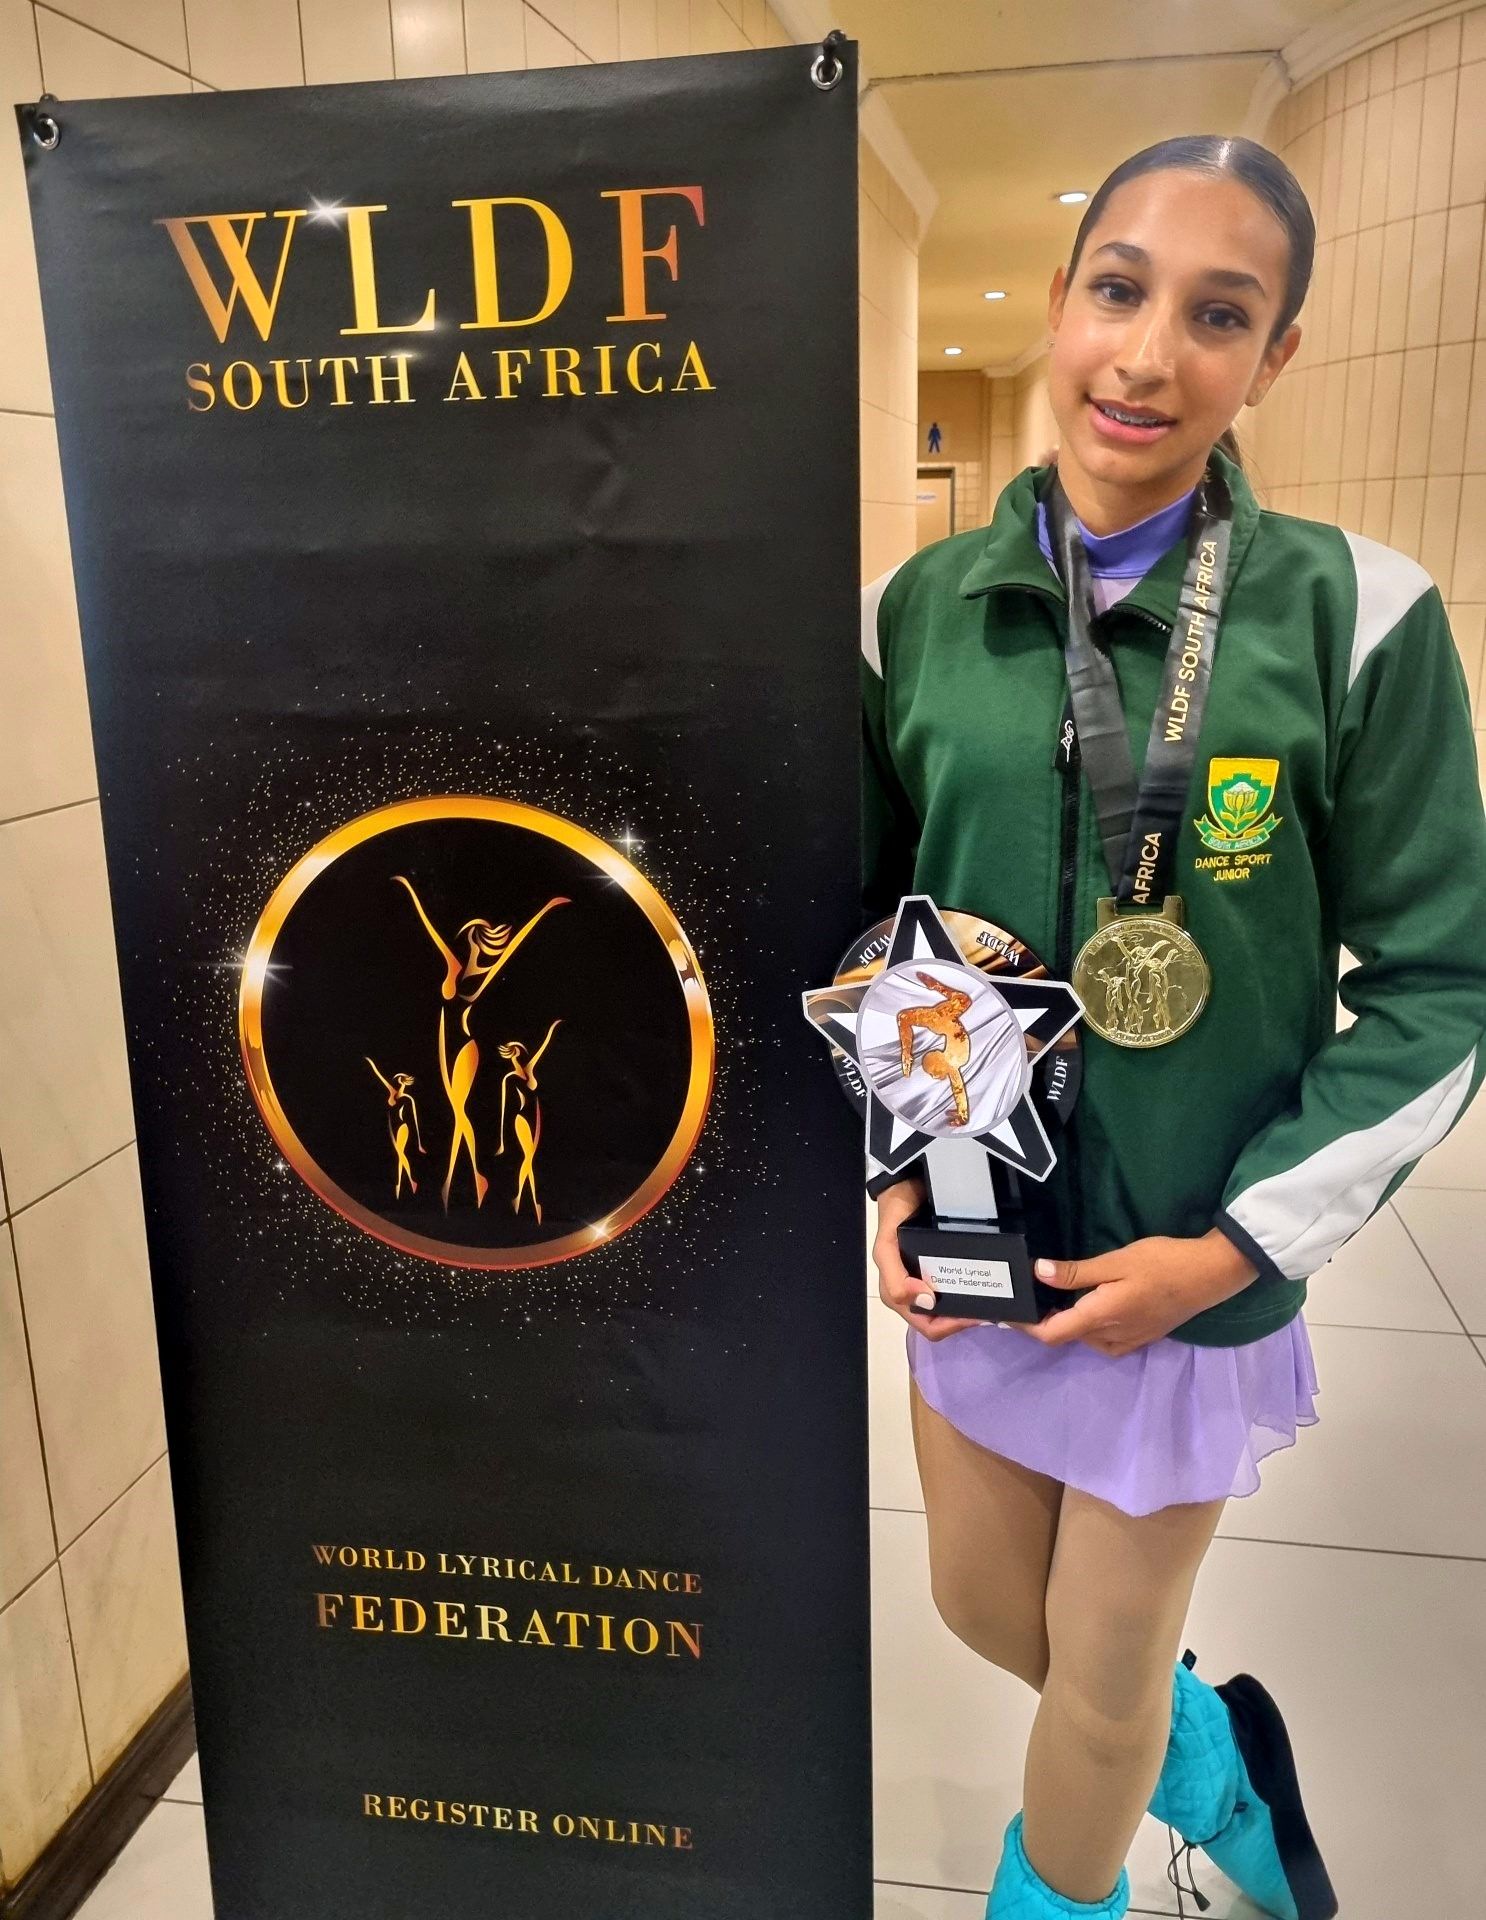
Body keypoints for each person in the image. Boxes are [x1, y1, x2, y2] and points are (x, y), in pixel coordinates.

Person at [862, 135, 1486, 1920]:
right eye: (1119, 291)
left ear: (1273, 355)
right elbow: (875, 920)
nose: (1148, 355)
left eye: (1218, 315)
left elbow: (1442, 986)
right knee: (988, 1614)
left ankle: (1059, 1895)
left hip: (1187, 1258)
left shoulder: (1354, 616)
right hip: (982, 1239)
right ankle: (1223, 1768)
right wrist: (901, 1172)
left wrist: (1230, 1248)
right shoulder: (913, 617)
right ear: (1060, 306)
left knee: (1105, 1669)